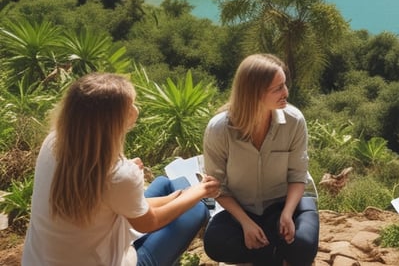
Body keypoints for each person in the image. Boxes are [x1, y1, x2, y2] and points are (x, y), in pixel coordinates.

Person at [22, 72, 220, 266]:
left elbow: (104, 195)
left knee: (164, 184)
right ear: (113, 121)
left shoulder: (55, 141)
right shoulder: (117, 175)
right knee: (196, 208)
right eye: (131, 105)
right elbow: (149, 223)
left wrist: (173, 197)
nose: (136, 109)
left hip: (39, 260)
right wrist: (200, 191)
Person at [203, 54, 319, 266]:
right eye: (277, 88)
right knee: (215, 244)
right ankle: (273, 252)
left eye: (284, 85)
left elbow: (297, 175)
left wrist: (287, 214)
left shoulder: (294, 121)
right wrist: (245, 223)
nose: (286, 93)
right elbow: (217, 187)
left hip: (285, 203)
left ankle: (266, 251)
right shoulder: (219, 129)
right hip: (242, 208)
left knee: (303, 245)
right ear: (253, 94)